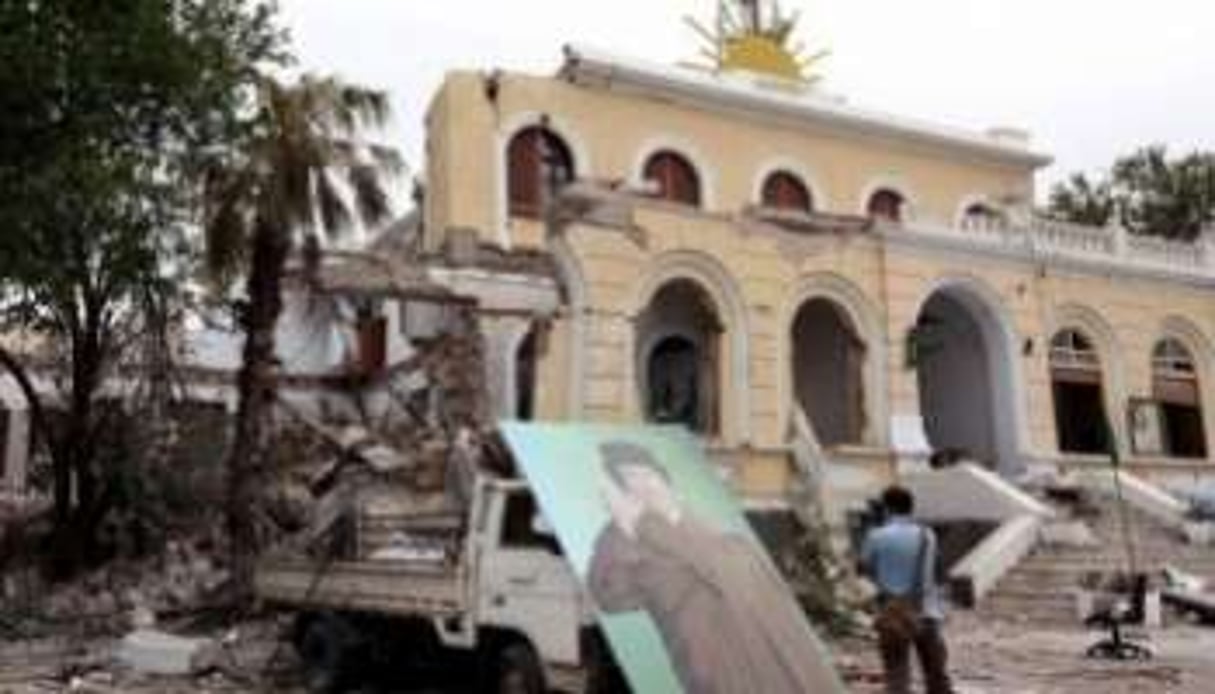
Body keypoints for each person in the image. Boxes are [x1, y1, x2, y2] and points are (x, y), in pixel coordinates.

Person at [586, 440, 844, 694]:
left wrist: (643, 523)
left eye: (646, 475)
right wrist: (625, 530)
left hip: (762, 660)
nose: (641, 486)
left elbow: (712, 565)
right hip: (709, 666)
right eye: (628, 478)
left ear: (665, 481)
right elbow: (610, 598)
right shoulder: (620, 543)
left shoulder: (731, 545)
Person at [860, 486, 955, 694]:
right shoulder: (927, 535)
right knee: (936, 674)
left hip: (892, 612)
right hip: (926, 611)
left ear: (886, 508)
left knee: (896, 673)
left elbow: (864, 569)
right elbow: (938, 572)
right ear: (910, 508)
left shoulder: (876, 536)